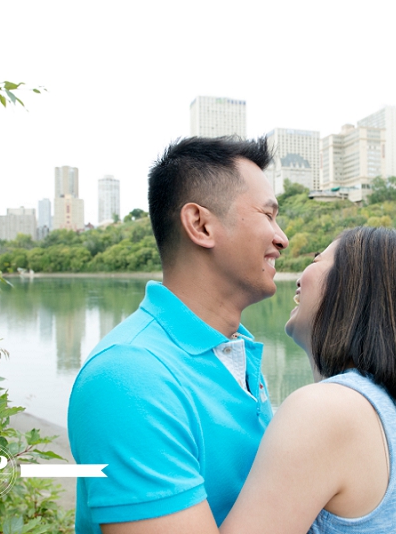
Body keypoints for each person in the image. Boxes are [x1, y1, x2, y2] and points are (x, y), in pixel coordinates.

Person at [67, 136, 289, 534]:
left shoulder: (236, 347)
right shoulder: (130, 377)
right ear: (200, 224)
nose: (281, 238)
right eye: (268, 215)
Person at [219, 226, 396, 533]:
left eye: (317, 260)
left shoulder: (328, 409)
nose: (300, 277)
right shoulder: (370, 403)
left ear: (355, 287)